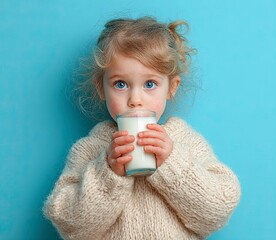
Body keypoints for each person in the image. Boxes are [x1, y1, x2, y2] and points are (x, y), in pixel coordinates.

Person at [43, 16, 241, 240]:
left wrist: (172, 162)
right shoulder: (90, 149)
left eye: (150, 84)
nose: (135, 99)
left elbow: (217, 211)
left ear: (171, 88)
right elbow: (70, 226)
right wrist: (108, 172)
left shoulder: (184, 141)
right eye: (120, 84)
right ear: (101, 88)